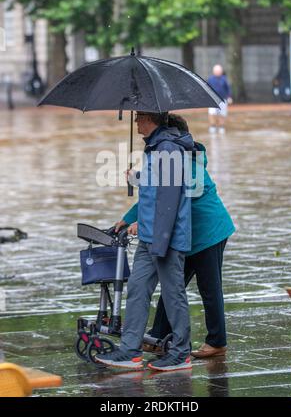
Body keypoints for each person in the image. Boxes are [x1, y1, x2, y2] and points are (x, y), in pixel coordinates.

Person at [117, 114, 235, 359]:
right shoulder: (170, 154)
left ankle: (217, 340)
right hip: (185, 235)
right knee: (173, 284)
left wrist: (140, 221)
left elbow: (175, 197)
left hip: (208, 233)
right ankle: (159, 333)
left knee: (209, 288)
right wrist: (129, 215)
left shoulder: (185, 159)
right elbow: (154, 191)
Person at [95, 111, 194, 371]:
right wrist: (136, 178)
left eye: (139, 116)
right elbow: (156, 186)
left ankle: (182, 353)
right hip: (149, 237)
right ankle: (129, 351)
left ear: (151, 119)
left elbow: (169, 200)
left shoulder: (168, 148)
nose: (136, 120)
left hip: (165, 240)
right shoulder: (155, 148)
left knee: (173, 295)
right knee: (137, 290)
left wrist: (161, 242)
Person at [207, 65, 233, 134]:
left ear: (221, 72)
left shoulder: (224, 79)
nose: (218, 72)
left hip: (222, 99)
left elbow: (228, 89)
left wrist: (229, 97)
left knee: (222, 113)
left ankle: (221, 126)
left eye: (219, 71)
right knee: (212, 113)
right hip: (212, 99)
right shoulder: (210, 79)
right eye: (216, 71)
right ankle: (212, 126)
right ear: (214, 72)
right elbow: (207, 88)